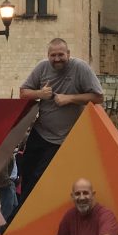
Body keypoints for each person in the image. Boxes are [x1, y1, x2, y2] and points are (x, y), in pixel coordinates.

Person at [19, 39, 104, 202]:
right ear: (48, 56)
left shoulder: (80, 68)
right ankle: (21, 215)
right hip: (40, 133)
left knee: (39, 178)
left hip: (61, 139)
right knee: (27, 173)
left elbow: (98, 97)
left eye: (61, 55)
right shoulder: (42, 67)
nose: (57, 59)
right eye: (53, 55)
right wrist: (39, 94)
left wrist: (70, 98)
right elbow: (23, 93)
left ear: (68, 54)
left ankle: (19, 217)